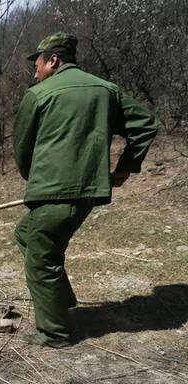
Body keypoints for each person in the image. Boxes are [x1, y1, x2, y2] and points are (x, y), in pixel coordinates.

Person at [13, 33, 158, 348]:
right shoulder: (107, 90)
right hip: (87, 193)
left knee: (41, 259)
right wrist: (125, 168)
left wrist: (35, 180)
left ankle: (54, 333)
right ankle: (60, 300)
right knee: (26, 234)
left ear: (53, 60)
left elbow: (22, 150)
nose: (34, 71)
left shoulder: (38, 94)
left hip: (52, 194)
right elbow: (146, 123)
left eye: (36, 62)